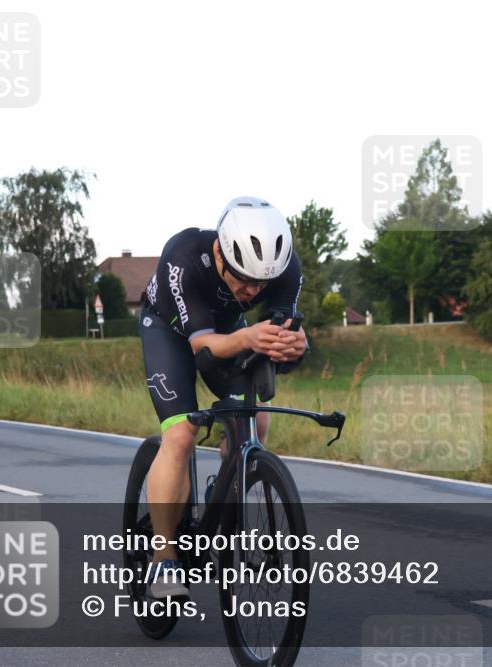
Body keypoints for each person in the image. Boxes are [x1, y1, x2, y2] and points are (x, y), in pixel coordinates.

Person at [137, 196, 308, 597]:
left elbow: (281, 333)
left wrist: (295, 345)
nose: (252, 292)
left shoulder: (286, 268)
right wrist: (249, 335)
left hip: (228, 332)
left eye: (261, 285)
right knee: (181, 435)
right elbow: (203, 347)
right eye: (243, 281)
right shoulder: (184, 254)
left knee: (256, 421)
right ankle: (164, 558)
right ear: (220, 252)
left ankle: (222, 499)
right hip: (169, 330)